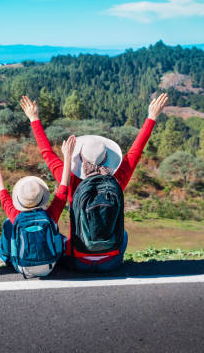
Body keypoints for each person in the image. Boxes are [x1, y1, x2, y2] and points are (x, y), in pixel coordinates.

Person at [20, 93, 169, 272]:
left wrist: (34, 119)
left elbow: (47, 153)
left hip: (78, 261)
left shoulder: (67, 178)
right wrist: (151, 117)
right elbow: (135, 152)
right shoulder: (115, 181)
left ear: (80, 160)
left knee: (57, 236)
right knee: (125, 235)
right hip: (111, 262)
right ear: (107, 158)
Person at [0, 136, 75, 277]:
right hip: (50, 266)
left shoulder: (16, 216)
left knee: (8, 223)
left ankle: (5, 256)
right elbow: (64, 187)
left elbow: (2, 192)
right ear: (42, 197)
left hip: (23, 268)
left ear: (19, 199)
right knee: (55, 231)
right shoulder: (50, 215)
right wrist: (67, 156)